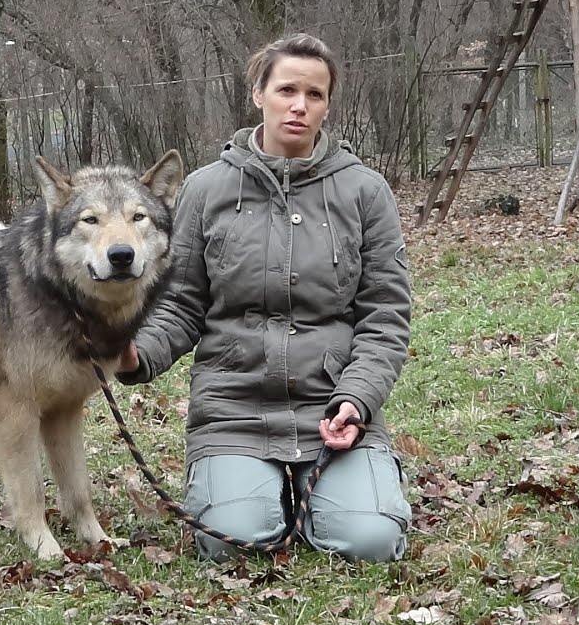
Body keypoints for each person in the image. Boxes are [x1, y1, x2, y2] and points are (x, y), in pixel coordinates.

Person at [116, 33, 413, 563]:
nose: (299, 106)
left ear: (327, 104)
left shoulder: (366, 192)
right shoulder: (206, 191)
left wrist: (356, 401)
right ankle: (257, 487)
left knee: (370, 542)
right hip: (235, 409)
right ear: (258, 94)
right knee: (234, 543)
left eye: (315, 95)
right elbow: (181, 304)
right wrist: (136, 353)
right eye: (286, 90)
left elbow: (385, 316)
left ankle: (333, 488)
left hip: (331, 409)